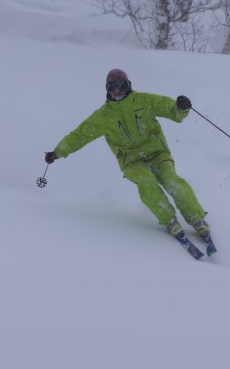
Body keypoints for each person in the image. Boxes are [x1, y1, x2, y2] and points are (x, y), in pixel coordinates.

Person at [45, 68, 214, 257]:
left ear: (128, 86)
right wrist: (58, 152)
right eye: (112, 87)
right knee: (146, 182)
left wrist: (180, 107)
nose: (117, 92)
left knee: (171, 179)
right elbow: (80, 135)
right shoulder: (103, 116)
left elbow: (171, 110)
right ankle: (169, 219)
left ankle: (196, 219)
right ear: (107, 90)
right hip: (132, 162)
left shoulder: (144, 101)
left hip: (157, 154)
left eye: (120, 86)